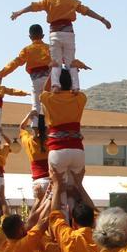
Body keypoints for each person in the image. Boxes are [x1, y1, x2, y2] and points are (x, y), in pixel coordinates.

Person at [10, 0, 111, 92]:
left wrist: (19, 12)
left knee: (56, 61)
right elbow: (87, 11)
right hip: (68, 33)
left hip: (55, 34)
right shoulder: (72, 1)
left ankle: (55, 85)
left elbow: (34, 6)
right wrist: (102, 19)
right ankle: (75, 86)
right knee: (70, 61)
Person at [40, 69, 88, 210]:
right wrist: (74, 74)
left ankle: (62, 225)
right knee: (75, 191)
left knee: (58, 192)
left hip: (58, 151)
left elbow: (43, 90)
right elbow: (78, 91)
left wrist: (53, 72)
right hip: (77, 151)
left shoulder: (49, 99)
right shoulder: (80, 98)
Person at [19, 110, 51, 194]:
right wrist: (45, 117)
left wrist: (29, 115)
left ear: (33, 129)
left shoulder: (28, 141)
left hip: (37, 181)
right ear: (45, 130)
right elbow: (52, 126)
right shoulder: (50, 141)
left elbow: (22, 127)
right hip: (49, 180)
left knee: (37, 206)